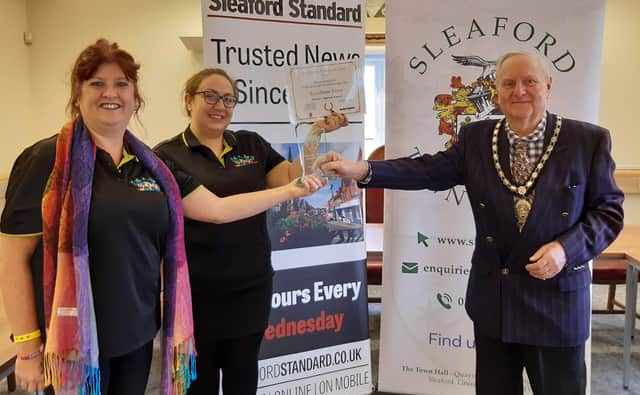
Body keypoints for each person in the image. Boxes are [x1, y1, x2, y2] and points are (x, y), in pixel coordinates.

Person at [0, 40, 323, 395]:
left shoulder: (150, 165)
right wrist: (27, 347)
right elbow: (13, 259)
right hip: (75, 340)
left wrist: (301, 171)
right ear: (78, 93)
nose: (111, 93)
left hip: (137, 333)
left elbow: (214, 210)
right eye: (97, 83)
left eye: (122, 84)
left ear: (135, 96)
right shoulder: (48, 159)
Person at [316, 51, 624, 395]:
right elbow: (427, 170)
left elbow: (608, 213)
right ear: (496, 92)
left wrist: (566, 250)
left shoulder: (586, 141)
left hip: (557, 302)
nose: (519, 90)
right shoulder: (478, 138)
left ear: (548, 86)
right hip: (496, 300)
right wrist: (363, 170)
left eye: (530, 81)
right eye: (508, 83)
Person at [153, 68, 348, 395]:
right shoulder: (166, 156)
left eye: (229, 99)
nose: (220, 105)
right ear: (188, 100)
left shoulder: (250, 144)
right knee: (198, 384)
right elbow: (216, 210)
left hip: (250, 287)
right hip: (196, 294)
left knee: (243, 378)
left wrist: (314, 134)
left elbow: (289, 175)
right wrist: (292, 190)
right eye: (210, 96)